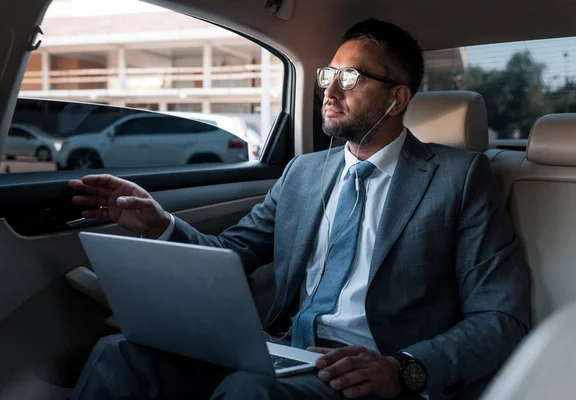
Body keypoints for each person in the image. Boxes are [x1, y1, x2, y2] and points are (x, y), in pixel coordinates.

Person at [68, 18, 530, 400]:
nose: (329, 91)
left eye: (350, 78)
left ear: (397, 97)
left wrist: (403, 369)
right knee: (119, 353)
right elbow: (230, 251)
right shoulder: (303, 173)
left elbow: (499, 317)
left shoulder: (459, 177)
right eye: (328, 76)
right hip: (282, 350)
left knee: (250, 392)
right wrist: (161, 222)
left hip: (367, 372)